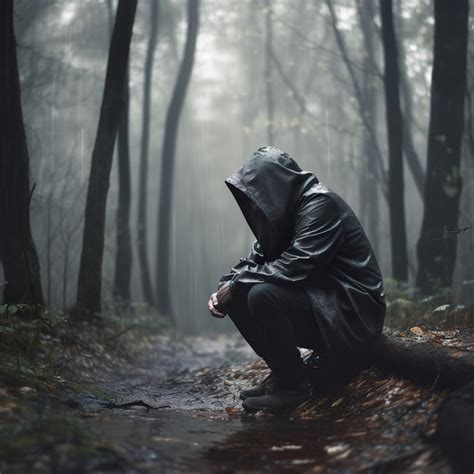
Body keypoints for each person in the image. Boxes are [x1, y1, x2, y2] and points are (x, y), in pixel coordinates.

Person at [208, 146, 386, 413]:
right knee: (240, 290)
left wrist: (237, 285)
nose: (253, 206)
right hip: (324, 307)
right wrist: (226, 286)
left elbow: (299, 264)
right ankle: (284, 374)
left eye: (256, 196)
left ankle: (293, 389)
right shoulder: (281, 217)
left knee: (259, 293)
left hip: (354, 311)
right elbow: (252, 263)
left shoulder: (319, 203)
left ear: (275, 186)